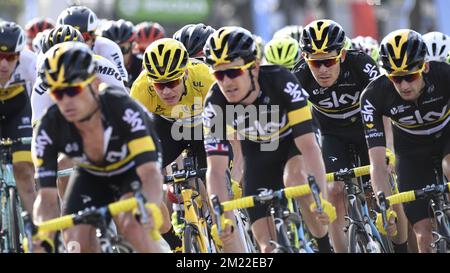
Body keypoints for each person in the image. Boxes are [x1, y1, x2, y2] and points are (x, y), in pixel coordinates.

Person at [203, 26, 335, 253]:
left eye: (233, 72)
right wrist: (221, 217)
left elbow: (309, 147)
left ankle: (324, 246)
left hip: (293, 142)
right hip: (257, 153)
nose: (226, 82)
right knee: (267, 248)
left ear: (254, 67)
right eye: (218, 74)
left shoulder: (281, 81)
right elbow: (215, 169)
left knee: (295, 181)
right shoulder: (214, 102)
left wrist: (320, 198)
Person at [32, 42, 165, 253]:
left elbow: (149, 173)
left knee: (133, 225)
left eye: (73, 90)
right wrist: (43, 235)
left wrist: (147, 206)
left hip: (132, 169)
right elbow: (46, 198)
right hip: (91, 173)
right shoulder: (49, 127)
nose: (66, 101)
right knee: (75, 241)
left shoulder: (120, 108)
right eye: (57, 94)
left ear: (94, 84)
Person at [293, 19, 408, 252]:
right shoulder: (299, 75)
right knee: (334, 191)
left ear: (342, 55)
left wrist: (389, 148)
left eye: (328, 61)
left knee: (383, 187)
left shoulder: (361, 64)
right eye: (316, 63)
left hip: (366, 128)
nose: (322, 69)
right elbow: (292, 124)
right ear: (305, 59)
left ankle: (401, 247)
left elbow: (384, 109)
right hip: (331, 133)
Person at [360, 29, 450, 253]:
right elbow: (378, 164)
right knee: (423, 234)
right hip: (411, 152)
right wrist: (385, 207)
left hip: (447, 138)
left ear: (425, 67)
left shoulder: (444, 75)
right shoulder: (373, 95)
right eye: (396, 78)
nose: (404, 85)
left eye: (410, 76)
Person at [0, 21, 37, 214]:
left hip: (19, 110)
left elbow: (45, 96)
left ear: (20, 54)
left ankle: (39, 234)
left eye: (10, 57)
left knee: (24, 171)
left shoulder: (31, 62)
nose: (4, 64)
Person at [57, 5, 128, 84]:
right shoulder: (52, 48)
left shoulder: (109, 47)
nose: (78, 41)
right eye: (70, 38)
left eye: (84, 37)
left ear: (94, 36)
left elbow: (123, 86)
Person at [99, 19, 142, 87]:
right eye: (111, 50)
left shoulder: (142, 67)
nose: (118, 55)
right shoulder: (94, 66)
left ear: (132, 47)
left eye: (123, 49)